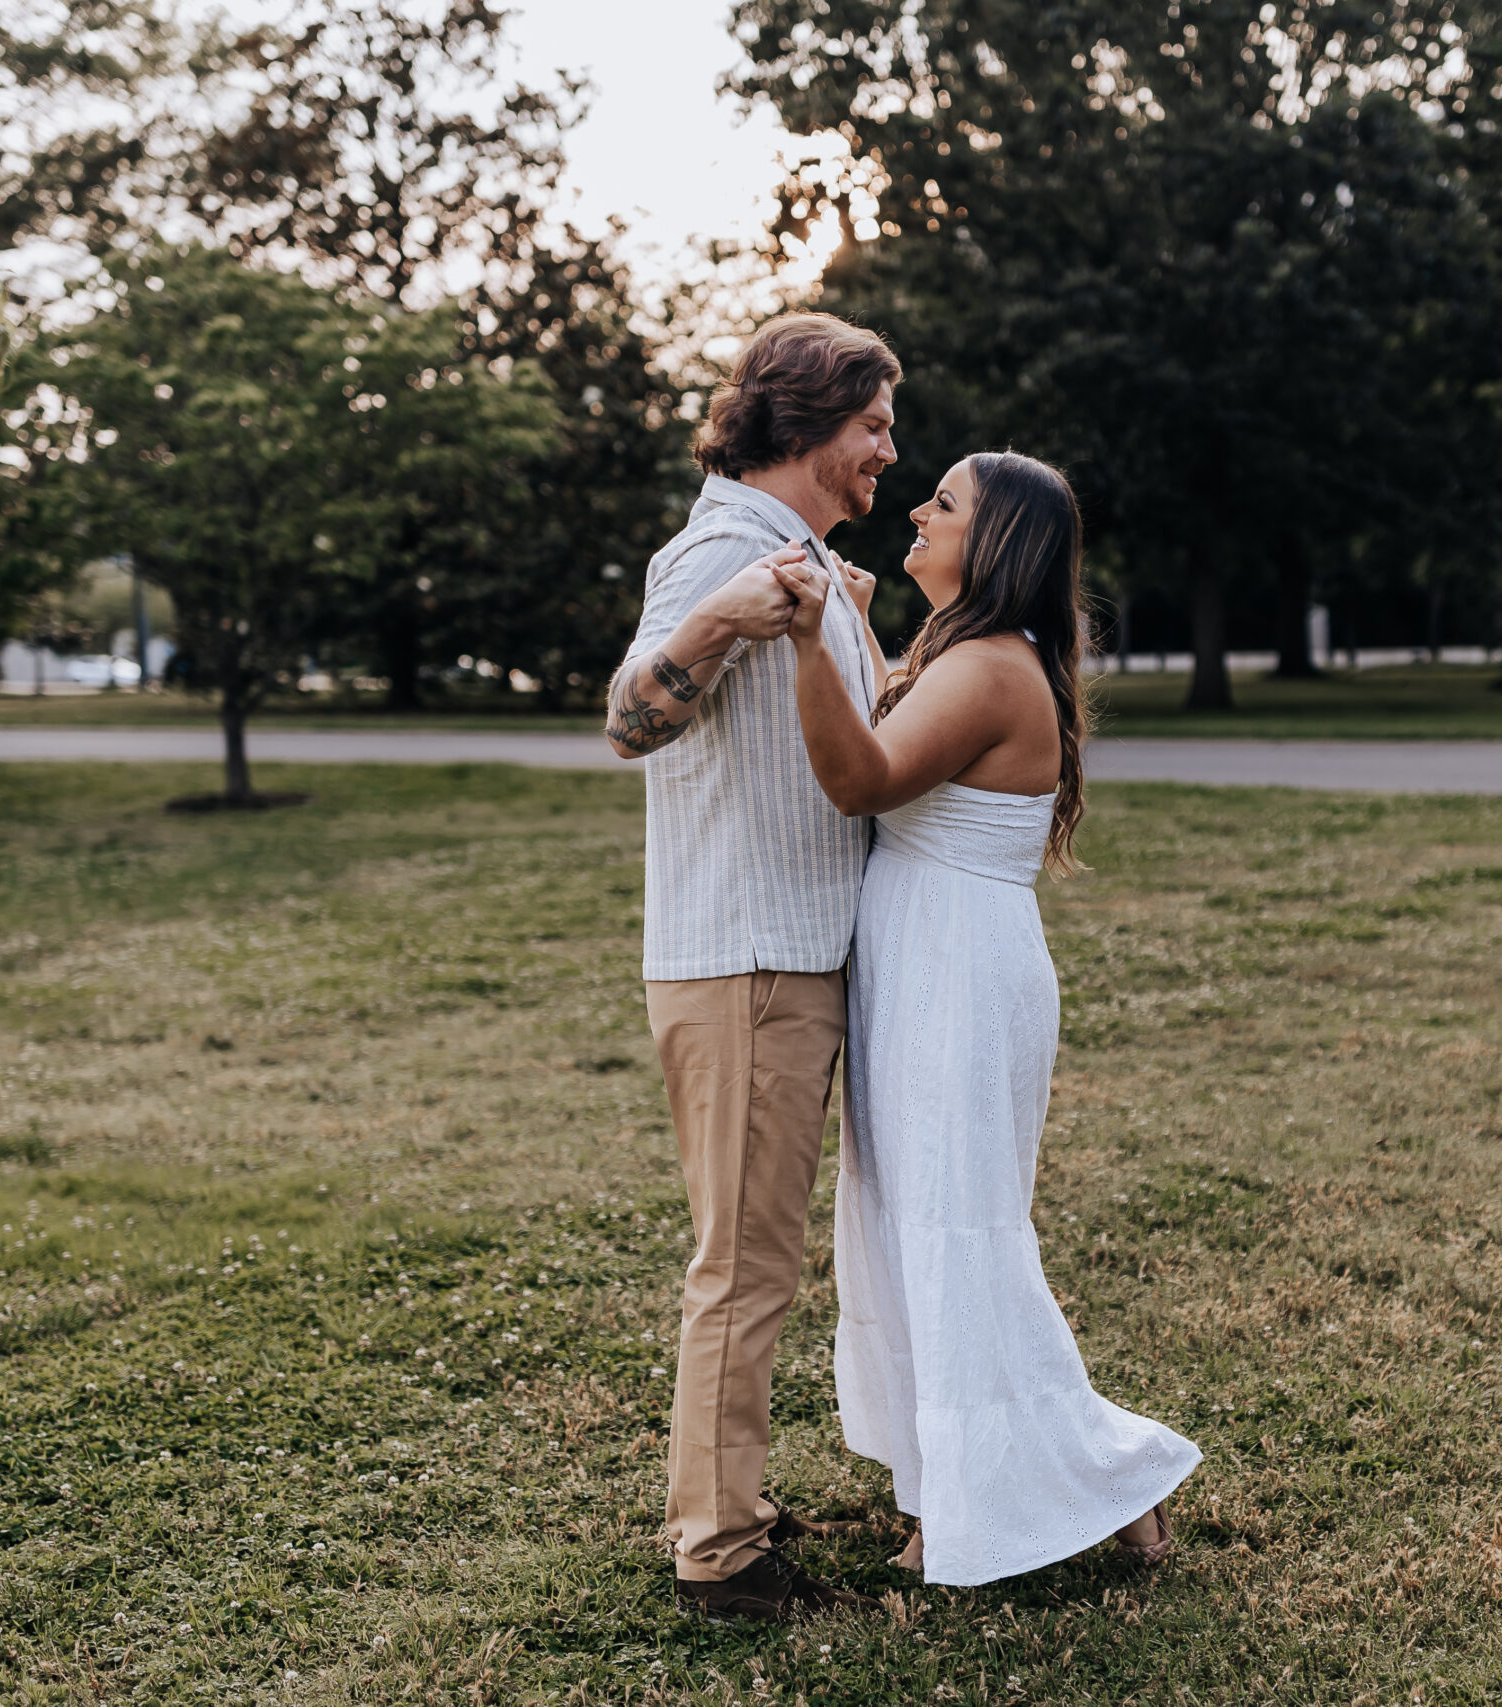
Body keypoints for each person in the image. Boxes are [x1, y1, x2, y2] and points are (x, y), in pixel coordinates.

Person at [768, 451, 1201, 1587]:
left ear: (996, 543)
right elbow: (893, 717)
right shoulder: (963, 655)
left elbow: (862, 776)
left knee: (957, 1235)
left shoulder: (995, 669)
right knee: (915, 1229)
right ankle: (946, 1491)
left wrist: (814, 634)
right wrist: (854, 632)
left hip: (956, 969)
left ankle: (1099, 1476)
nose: (917, 508)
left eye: (944, 503)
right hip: (926, 957)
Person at [603, 311, 898, 1622]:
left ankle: (731, 1503)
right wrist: (727, 614)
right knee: (744, 1265)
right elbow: (630, 717)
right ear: (810, 423)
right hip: (751, 969)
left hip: (789, 960)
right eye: (876, 423)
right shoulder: (724, 548)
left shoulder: (801, 554)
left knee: (759, 1256)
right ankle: (720, 1549)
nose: (892, 449)